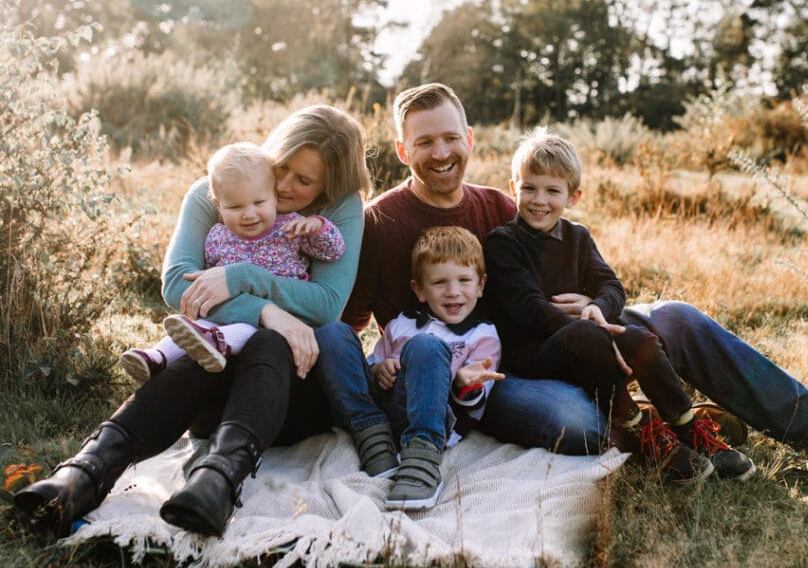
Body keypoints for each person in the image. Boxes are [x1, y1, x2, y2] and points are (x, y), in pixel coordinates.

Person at [341, 81, 808, 476]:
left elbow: (559, 269)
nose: (441, 152)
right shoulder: (381, 223)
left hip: (565, 332)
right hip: (497, 369)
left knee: (676, 315)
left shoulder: (501, 204)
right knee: (575, 424)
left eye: (452, 137)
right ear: (401, 148)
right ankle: (673, 423)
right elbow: (352, 328)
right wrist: (387, 371)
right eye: (425, 142)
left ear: (470, 139)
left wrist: (587, 302)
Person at [15, 104, 371, 538]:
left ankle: (217, 483)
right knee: (205, 348)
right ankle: (84, 473)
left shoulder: (339, 209)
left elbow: (326, 306)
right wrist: (265, 310)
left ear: (329, 184)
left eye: (305, 180)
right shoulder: (217, 191)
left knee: (269, 342)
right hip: (210, 391)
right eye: (282, 167)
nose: (283, 185)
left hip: (292, 393)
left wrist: (240, 279)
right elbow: (177, 288)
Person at [483, 128, 755, 484]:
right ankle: (645, 434)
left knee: (639, 338)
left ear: (572, 197)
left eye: (552, 190)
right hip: (532, 356)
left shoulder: (578, 237)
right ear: (513, 187)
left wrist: (598, 307)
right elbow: (529, 308)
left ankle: (691, 430)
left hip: (586, 342)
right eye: (529, 188)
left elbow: (611, 286)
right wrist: (597, 331)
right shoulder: (503, 243)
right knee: (588, 333)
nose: (539, 200)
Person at [119, 142, 345, 380]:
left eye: (259, 203)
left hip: (276, 322)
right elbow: (199, 278)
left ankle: (217, 343)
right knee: (193, 326)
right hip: (228, 311)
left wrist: (319, 228)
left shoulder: (290, 228)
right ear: (219, 205)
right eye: (235, 207)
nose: (249, 214)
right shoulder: (218, 236)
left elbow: (333, 252)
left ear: (274, 198)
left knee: (242, 329)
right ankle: (156, 357)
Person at [316, 226, 502, 511]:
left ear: (481, 285)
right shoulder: (401, 323)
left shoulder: (482, 335)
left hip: (431, 416)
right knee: (331, 333)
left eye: (464, 280)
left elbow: (475, 401)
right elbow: (374, 364)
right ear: (419, 290)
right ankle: (372, 439)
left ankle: (422, 454)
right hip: (378, 413)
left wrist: (461, 384)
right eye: (439, 283)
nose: (453, 292)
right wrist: (379, 370)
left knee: (426, 346)